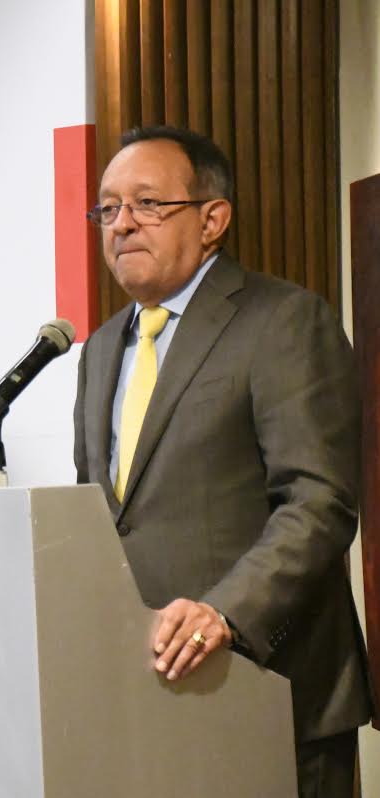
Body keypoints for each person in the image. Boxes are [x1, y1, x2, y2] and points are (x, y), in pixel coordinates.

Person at [73, 125, 370, 797]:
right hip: (143, 696)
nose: (121, 224)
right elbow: (106, 519)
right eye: (107, 208)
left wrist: (225, 614)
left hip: (269, 687)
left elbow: (318, 501)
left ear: (212, 220)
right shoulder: (100, 349)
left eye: (148, 203)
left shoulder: (282, 321)